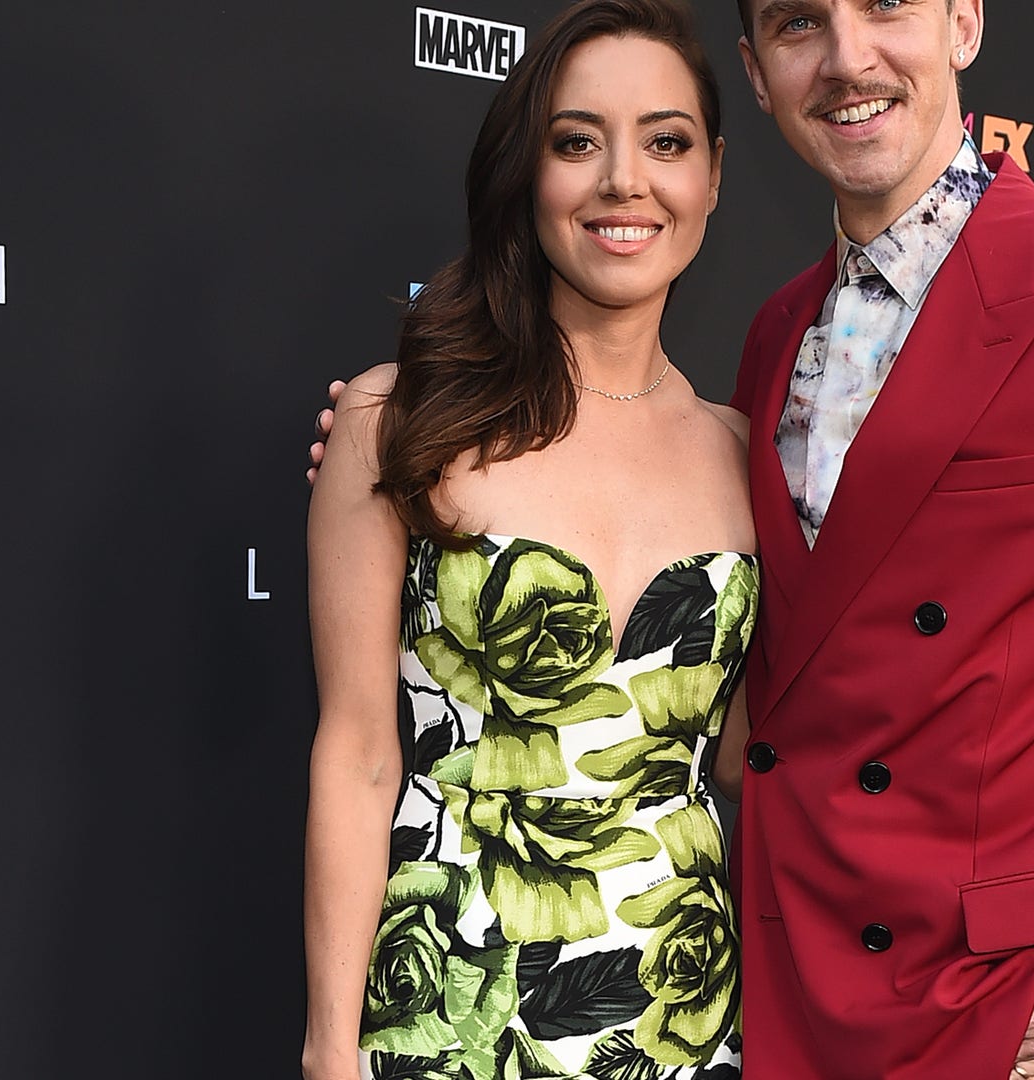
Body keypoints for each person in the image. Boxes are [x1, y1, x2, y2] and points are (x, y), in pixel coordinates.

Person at [316, 2, 1034, 1078]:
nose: (849, 59)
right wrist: (385, 462)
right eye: (803, 22)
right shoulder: (773, 339)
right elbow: (778, 683)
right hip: (765, 989)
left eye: (886, 3)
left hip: (984, 1010)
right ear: (757, 74)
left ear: (965, 22)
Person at [300, 3, 753, 1079]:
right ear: (529, 171)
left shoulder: (745, 453)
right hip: (450, 1008)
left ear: (714, 176)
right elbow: (360, 758)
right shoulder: (397, 420)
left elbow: (745, 757)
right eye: (578, 140)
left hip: (672, 1021)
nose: (624, 181)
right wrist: (329, 1050)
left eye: (667, 141)